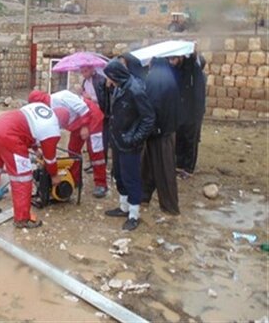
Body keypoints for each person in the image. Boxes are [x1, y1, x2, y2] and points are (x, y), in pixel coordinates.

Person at [0, 90, 61, 229]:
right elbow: (50, 158)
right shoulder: (53, 127)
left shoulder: (37, 108)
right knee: (22, 178)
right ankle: (22, 218)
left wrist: (36, 150)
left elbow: (27, 127)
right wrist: (54, 175)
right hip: (10, 137)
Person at [103, 60, 155, 231]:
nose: (108, 80)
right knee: (119, 174)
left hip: (129, 142)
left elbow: (148, 118)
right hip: (118, 140)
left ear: (116, 75)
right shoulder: (119, 87)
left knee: (131, 177)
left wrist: (135, 139)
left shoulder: (135, 90)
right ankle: (123, 206)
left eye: (109, 77)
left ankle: (134, 214)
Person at [31, 89, 108, 198]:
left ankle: (101, 184)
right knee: (73, 150)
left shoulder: (63, 96)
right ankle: (75, 179)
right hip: (76, 123)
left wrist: (85, 126)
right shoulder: (46, 110)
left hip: (91, 118)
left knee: (96, 152)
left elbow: (84, 109)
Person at [141, 57, 181, 215]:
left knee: (164, 170)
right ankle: (143, 196)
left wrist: (152, 128)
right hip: (164, 129)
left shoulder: (155, 77)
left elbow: (153, 104)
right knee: (148, 167)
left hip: (160, 132)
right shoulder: (167, 75)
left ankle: (170, 206)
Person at [176, 53, 206, 178]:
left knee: (190, 140)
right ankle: (180, 165)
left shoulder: (197, 75)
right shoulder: (185, 74)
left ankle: (188, 168)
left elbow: (198, 97)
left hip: (193, 114)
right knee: (181, 137)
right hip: (184, 112)